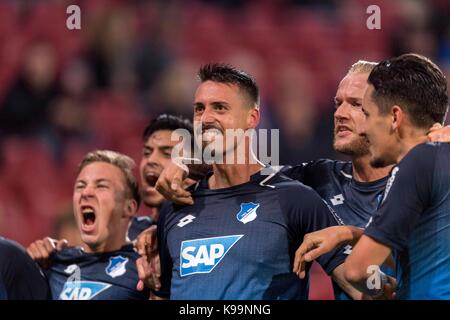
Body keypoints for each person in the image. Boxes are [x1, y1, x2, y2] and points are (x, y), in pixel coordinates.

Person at [154, 61, 450, 299]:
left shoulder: (436, 172)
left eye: (358, 105)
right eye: (338, 103)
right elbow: (247, 179)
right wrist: (187, 165)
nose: (341, 113)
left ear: (391, 114)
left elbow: (361, 272)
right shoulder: (317, 181)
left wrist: (350, 234)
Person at [151, 63, 361, 300]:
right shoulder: (176, 207)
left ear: (252, 118)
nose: (206, 118)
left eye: (220, 108)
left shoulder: (294, 199)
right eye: (199, 109)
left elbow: (362, 288)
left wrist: (359, 235)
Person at [343, 53, 450, 299]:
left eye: (367, 115)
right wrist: (350, 234)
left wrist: (385, 287)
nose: (362, 129)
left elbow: (357, 270)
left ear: (395, 117)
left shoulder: (416, 163)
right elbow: (426, 247)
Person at [27, 150, 150, 300]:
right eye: (80, 186)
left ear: (128, 208)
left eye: (101, 186)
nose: (86, 192)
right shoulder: (52, 263)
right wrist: (30, 266)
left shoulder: (145, 267)